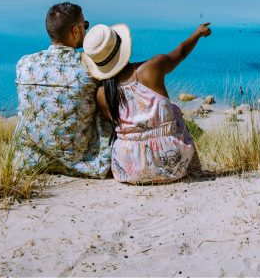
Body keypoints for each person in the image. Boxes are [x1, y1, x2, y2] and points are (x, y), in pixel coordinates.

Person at [82, 22, 211, 184]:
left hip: (128, 169)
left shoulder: (102, 93)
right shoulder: (152, 68)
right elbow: (181, 51)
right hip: (172, 164)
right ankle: (191, 167)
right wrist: (197, 33)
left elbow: (112, 122)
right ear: (122, 47)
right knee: (174, 109)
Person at [13, 2, 112, 178]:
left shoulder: (24, 64)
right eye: (85, 26)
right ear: (75, 31)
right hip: (82, 162)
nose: (86, 31)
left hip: (29, 160)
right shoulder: (89, 67)